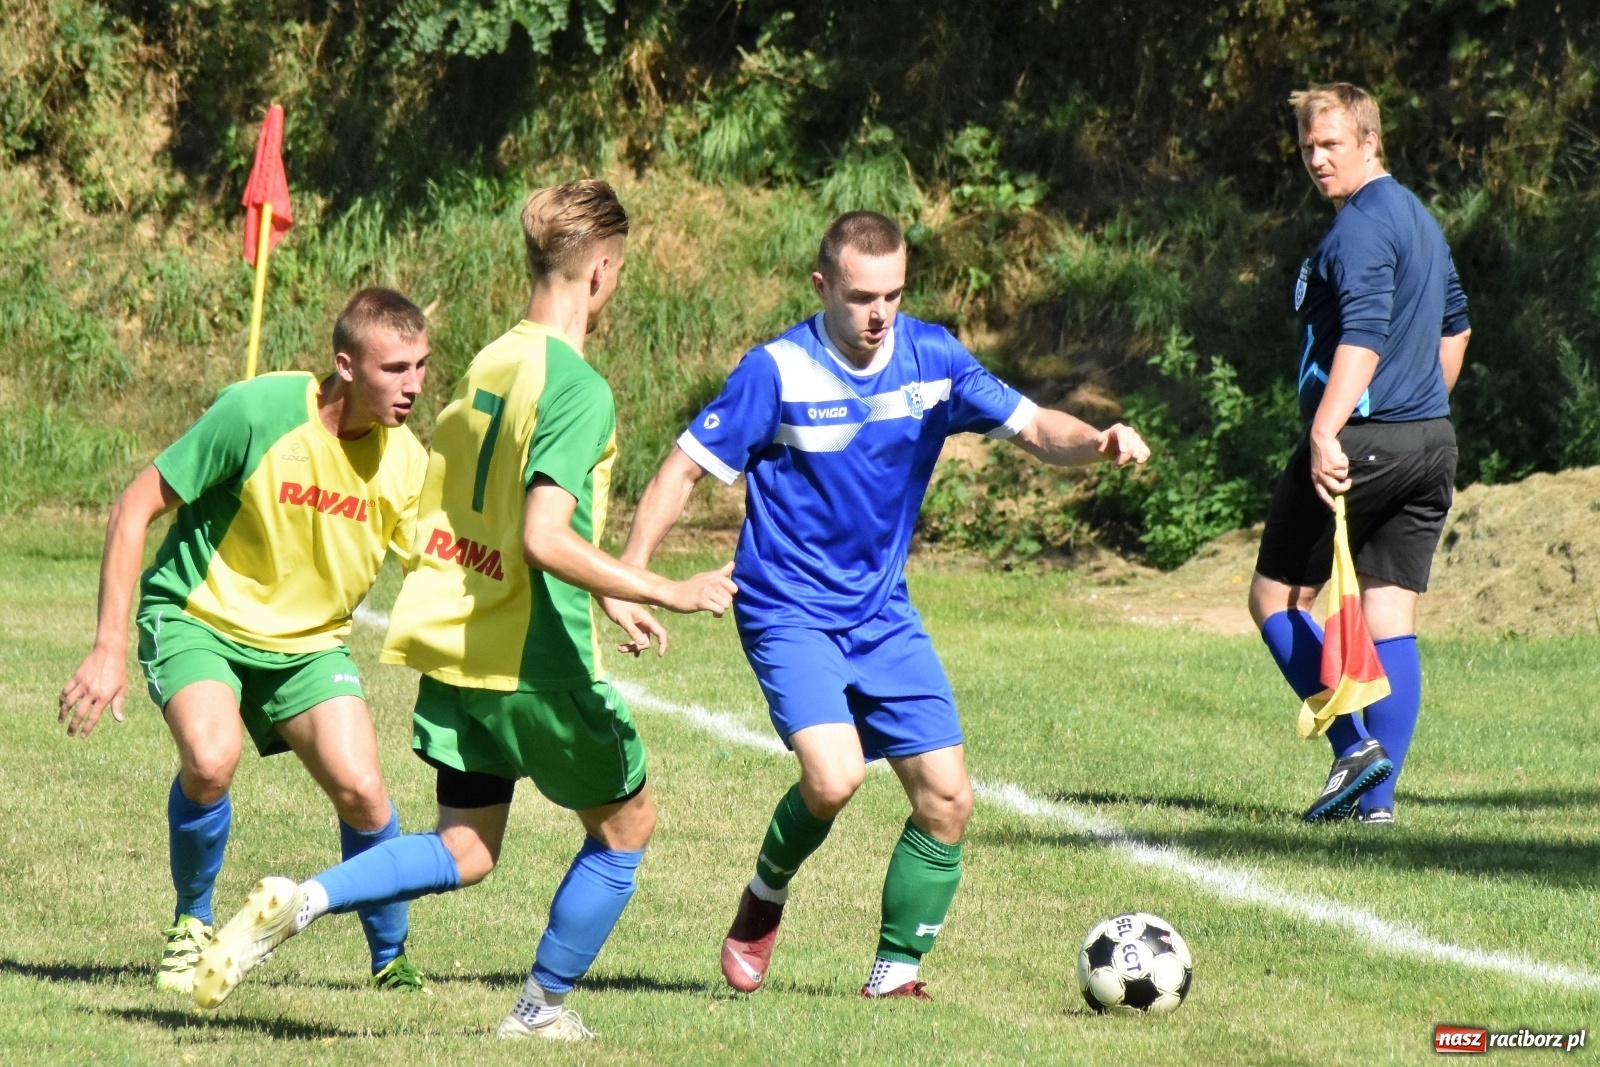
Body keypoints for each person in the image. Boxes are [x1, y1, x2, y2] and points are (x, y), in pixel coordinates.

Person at [193, 179, 739, 1040]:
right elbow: (546, 535)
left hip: (462, 645)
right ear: (601, 273)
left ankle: (306, 898)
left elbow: (495, 510)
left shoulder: (494, 360)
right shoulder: (579, 387)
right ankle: (539, 1008)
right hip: (535, 658)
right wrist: (666, 586)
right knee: (628, 823)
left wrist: (610, 593)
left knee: (467, 849)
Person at [611, 210, 1150, 1000]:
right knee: (832, 780)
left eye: (894, 294)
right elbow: (684, 469)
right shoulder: (778, 370)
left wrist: (1096, 439)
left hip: (883, 613)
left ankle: (895, 975)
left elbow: (1036, 424)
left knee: (947, 799)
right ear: (822, 284)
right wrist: (632, 574)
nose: (879, 315)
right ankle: (764, 896)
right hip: (788, 607)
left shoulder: (932, 358)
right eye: (863, 295)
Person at [56, 288, 434, 994]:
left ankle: (391, 960)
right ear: (345, 366)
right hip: (201, 618)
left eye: (421, 366)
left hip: (309, 644)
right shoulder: (258, 410)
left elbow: (439, 575)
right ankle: (190, 925)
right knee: (210, 756)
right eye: (394, 369)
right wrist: (109, 646)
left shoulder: (408, 462)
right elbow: (135, 504)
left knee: (364, 789)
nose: (412, 386)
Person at [1248, 83, 1470, 825]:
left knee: (1276, 597)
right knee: (1390, 618)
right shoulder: (1423, 223)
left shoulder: (1359, 230)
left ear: (1370, 141)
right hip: (1430, 442)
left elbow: (1364, 334)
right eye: (1308, 146)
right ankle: (1376, 806)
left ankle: (1352, 746)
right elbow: (1456, 330)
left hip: (1360, 444)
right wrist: (1419, 406)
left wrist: (1325, 432)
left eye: (1331, 144)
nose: (1317, 159)